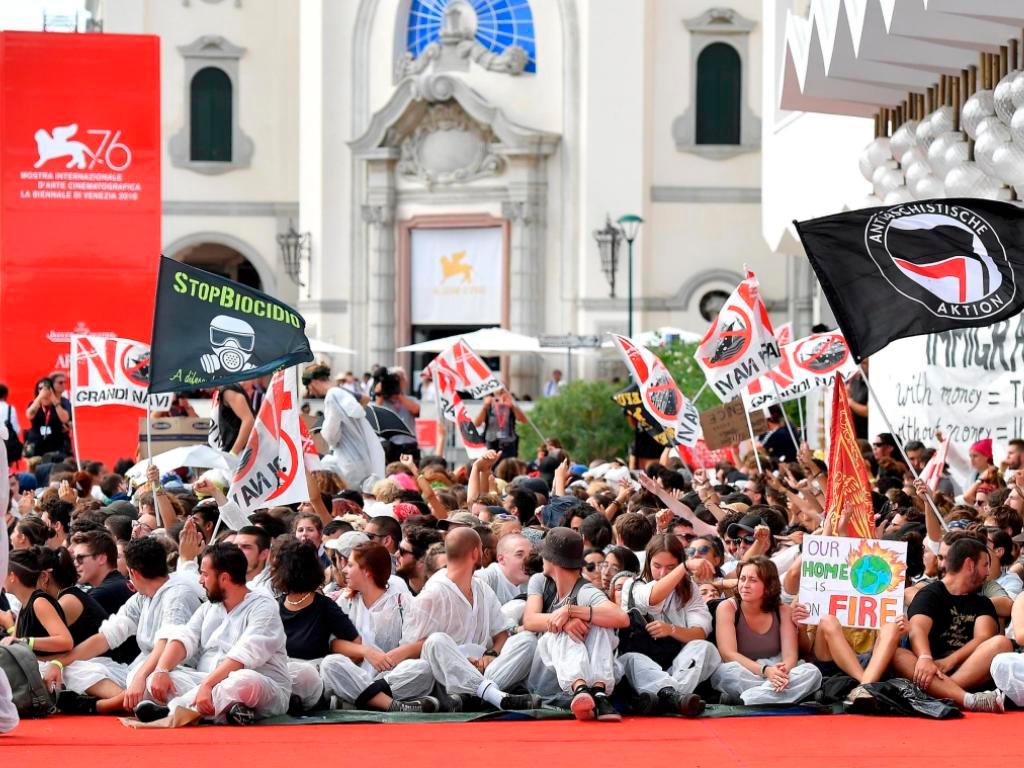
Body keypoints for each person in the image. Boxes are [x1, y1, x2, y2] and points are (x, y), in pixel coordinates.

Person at [44, 537, 205, 716]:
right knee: (76, 667)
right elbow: (105, 638)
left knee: (154, 681)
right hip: (139, 672)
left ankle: (106, 705)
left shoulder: (178, 594)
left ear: (133, 572)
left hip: (173, 671)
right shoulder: (141, 597)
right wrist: (59, 662)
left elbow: (167, 644)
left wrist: (141, 677)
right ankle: (127, 700)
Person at [383, 528, 537, 711]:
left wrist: (491, 655)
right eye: (481, 549)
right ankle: (491, 695)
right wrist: (459, 661)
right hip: (444, 678)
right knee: (436, 641)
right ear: (475, 553)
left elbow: (501, 634)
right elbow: (412, 651)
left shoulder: (482, 588)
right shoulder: (432, 594)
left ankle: (477, 697)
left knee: (526, 640)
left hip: (485, 671)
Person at [139, 543, 292, 725]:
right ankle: (226, 712)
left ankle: (175, 711)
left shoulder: (263, 607)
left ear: (224, 578)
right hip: (208, 683)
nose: (200, 581)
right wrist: (161, 670)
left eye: (204, 574)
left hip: (260, 687)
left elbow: (243, 656)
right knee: (154, 679)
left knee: (244, 680)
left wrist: (207, 685)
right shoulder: (209, 607)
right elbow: (185, 638)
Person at [890, 537, 1010, 712]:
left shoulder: (982, 602)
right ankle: (966, 699)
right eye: (985, 565)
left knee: (1001, 643)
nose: (987, 572)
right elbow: (917, 629)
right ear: (969, 564)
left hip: (966, 669)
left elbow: (984, 638)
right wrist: (925, 658)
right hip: (926, 669)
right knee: (897, 653)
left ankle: (938, 694)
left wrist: (949, 661)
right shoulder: (930, 594)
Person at [523, 527, 630, 721]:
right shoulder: (540, 581)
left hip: (584, 677)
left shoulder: (586, 590)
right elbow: (529, 620)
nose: (541, 558)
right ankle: (581, 688)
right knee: (562, 630)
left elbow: (621, 618)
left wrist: (571, 611)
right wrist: (564, 621)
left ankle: (598, 693)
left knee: (600, 624)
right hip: (545, 678)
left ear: (553, 560)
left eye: (544, 555)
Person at [319, 542, 439, 712]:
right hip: (355, 672)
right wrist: (366, 652)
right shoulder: (345, 601)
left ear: (367, 571)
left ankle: (355, 702)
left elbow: (422, 643)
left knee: (423, 669)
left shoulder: (402, 602)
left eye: (351, 565)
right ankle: (393, 706)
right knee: (330, 664)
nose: (344, 570)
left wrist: (397, 654)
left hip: (390, 675)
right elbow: (333, 644)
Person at [617, 535, 719, 716]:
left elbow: (700, 632)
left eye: (670, 567)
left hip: (676, 665)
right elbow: (652, 598)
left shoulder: (690, 589)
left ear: (678, 563)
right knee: (632, 660)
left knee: (704, 647)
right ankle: (677, 698)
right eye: (657, 566)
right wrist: (684, 567)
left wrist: (671, 630)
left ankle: (668, 697)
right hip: (642, 665)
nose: (663, 573)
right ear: (648, 562)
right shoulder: (633, 585)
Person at [710, 557, 822, 705]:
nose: (745, 585)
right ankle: (783, 695)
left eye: (753, 580)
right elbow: (728, 654)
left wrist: (779, 672)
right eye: (742, 579)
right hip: (746, 671)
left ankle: (747, 699)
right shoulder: (727, 608)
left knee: (811, 672)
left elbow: (790, 657)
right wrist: (765, 670)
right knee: (726, 673)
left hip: (778, 669)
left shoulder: (783, 611)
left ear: (769, 586)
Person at [273, 539, 361, 712]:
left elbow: (356, 646)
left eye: (276, 567)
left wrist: (323, 670)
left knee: (300, 673)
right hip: (278, 676)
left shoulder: (324, 606)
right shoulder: (272, 606)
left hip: (310, 678)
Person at [307, 366, 386, 489]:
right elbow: (364, 400)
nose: (310, 392)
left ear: (315, 382)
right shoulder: (341, 392)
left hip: (347, 462)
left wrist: (323, 430)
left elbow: (331, 436)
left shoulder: (332, 396)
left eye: (309, 387)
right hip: (362, 459)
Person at [69, 530, 135, 615]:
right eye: (74, 558)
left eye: (80, 558)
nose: (75, 563)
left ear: (102, 559)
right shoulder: (120, 583)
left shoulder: (100, 594)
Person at [474, 389, 526, 462]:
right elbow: (477, 423)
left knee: (509, 466)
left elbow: (523, 420)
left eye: (503, 392)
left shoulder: (511, 406)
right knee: (490, 466)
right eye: (499, 393)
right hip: (491, 442)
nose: (500, 397)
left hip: (509, 443)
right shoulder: (489, 405)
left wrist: (512, 406)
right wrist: (485, 407)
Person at [25, 377, 69, 457]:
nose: (43, 391)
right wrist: (39, 397)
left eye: (46, 388)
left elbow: (65, 419)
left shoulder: (59, 404)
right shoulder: (34, 403)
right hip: (36, 443)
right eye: (40, 388)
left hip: (55, 445)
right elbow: (29, 415)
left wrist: (53, 398)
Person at [210, 383, 254, 455]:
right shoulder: (224, 390)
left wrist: (234, 452)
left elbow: (248, 420)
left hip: (239, 453)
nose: (201, 389)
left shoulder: (228, 391)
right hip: (233, 451)